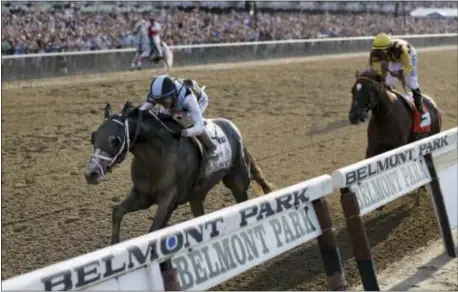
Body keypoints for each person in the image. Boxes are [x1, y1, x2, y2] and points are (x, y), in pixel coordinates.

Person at [139, 75, 217, 157]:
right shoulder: (158, 93)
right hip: (176, 103)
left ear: (173, 94)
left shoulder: (189, 99)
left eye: (165, 101)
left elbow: (199, 128)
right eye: (160, 102)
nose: (164, 105)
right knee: (164, 117)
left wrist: (183, 133)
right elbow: (144, 109)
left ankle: (211, 146)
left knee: (186, 120)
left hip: (199, 101)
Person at [369, 33, 425, 115]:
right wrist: (380, 78)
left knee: (411, 81)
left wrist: (400, 73)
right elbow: (377, 70)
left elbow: (408, 67)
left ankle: (420, 108)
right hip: (393, 58)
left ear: (388, 48)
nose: (379, 54)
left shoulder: (400, 49)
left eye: (381, 51)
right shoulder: (375, 52)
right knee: (389, 82)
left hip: (408, 55)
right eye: (377, 51)